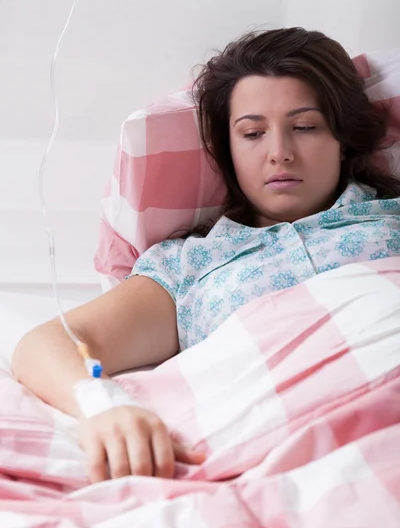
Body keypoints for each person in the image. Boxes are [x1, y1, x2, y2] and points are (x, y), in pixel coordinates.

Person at [13, 27, 400, 484]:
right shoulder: (190, 267)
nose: (280, 153)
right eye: (253, 133)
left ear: (343, 139)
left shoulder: (389, 221)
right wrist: (102, 405)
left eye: (304, 127)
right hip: (284, 462)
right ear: (228, 150)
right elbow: (51, 342)